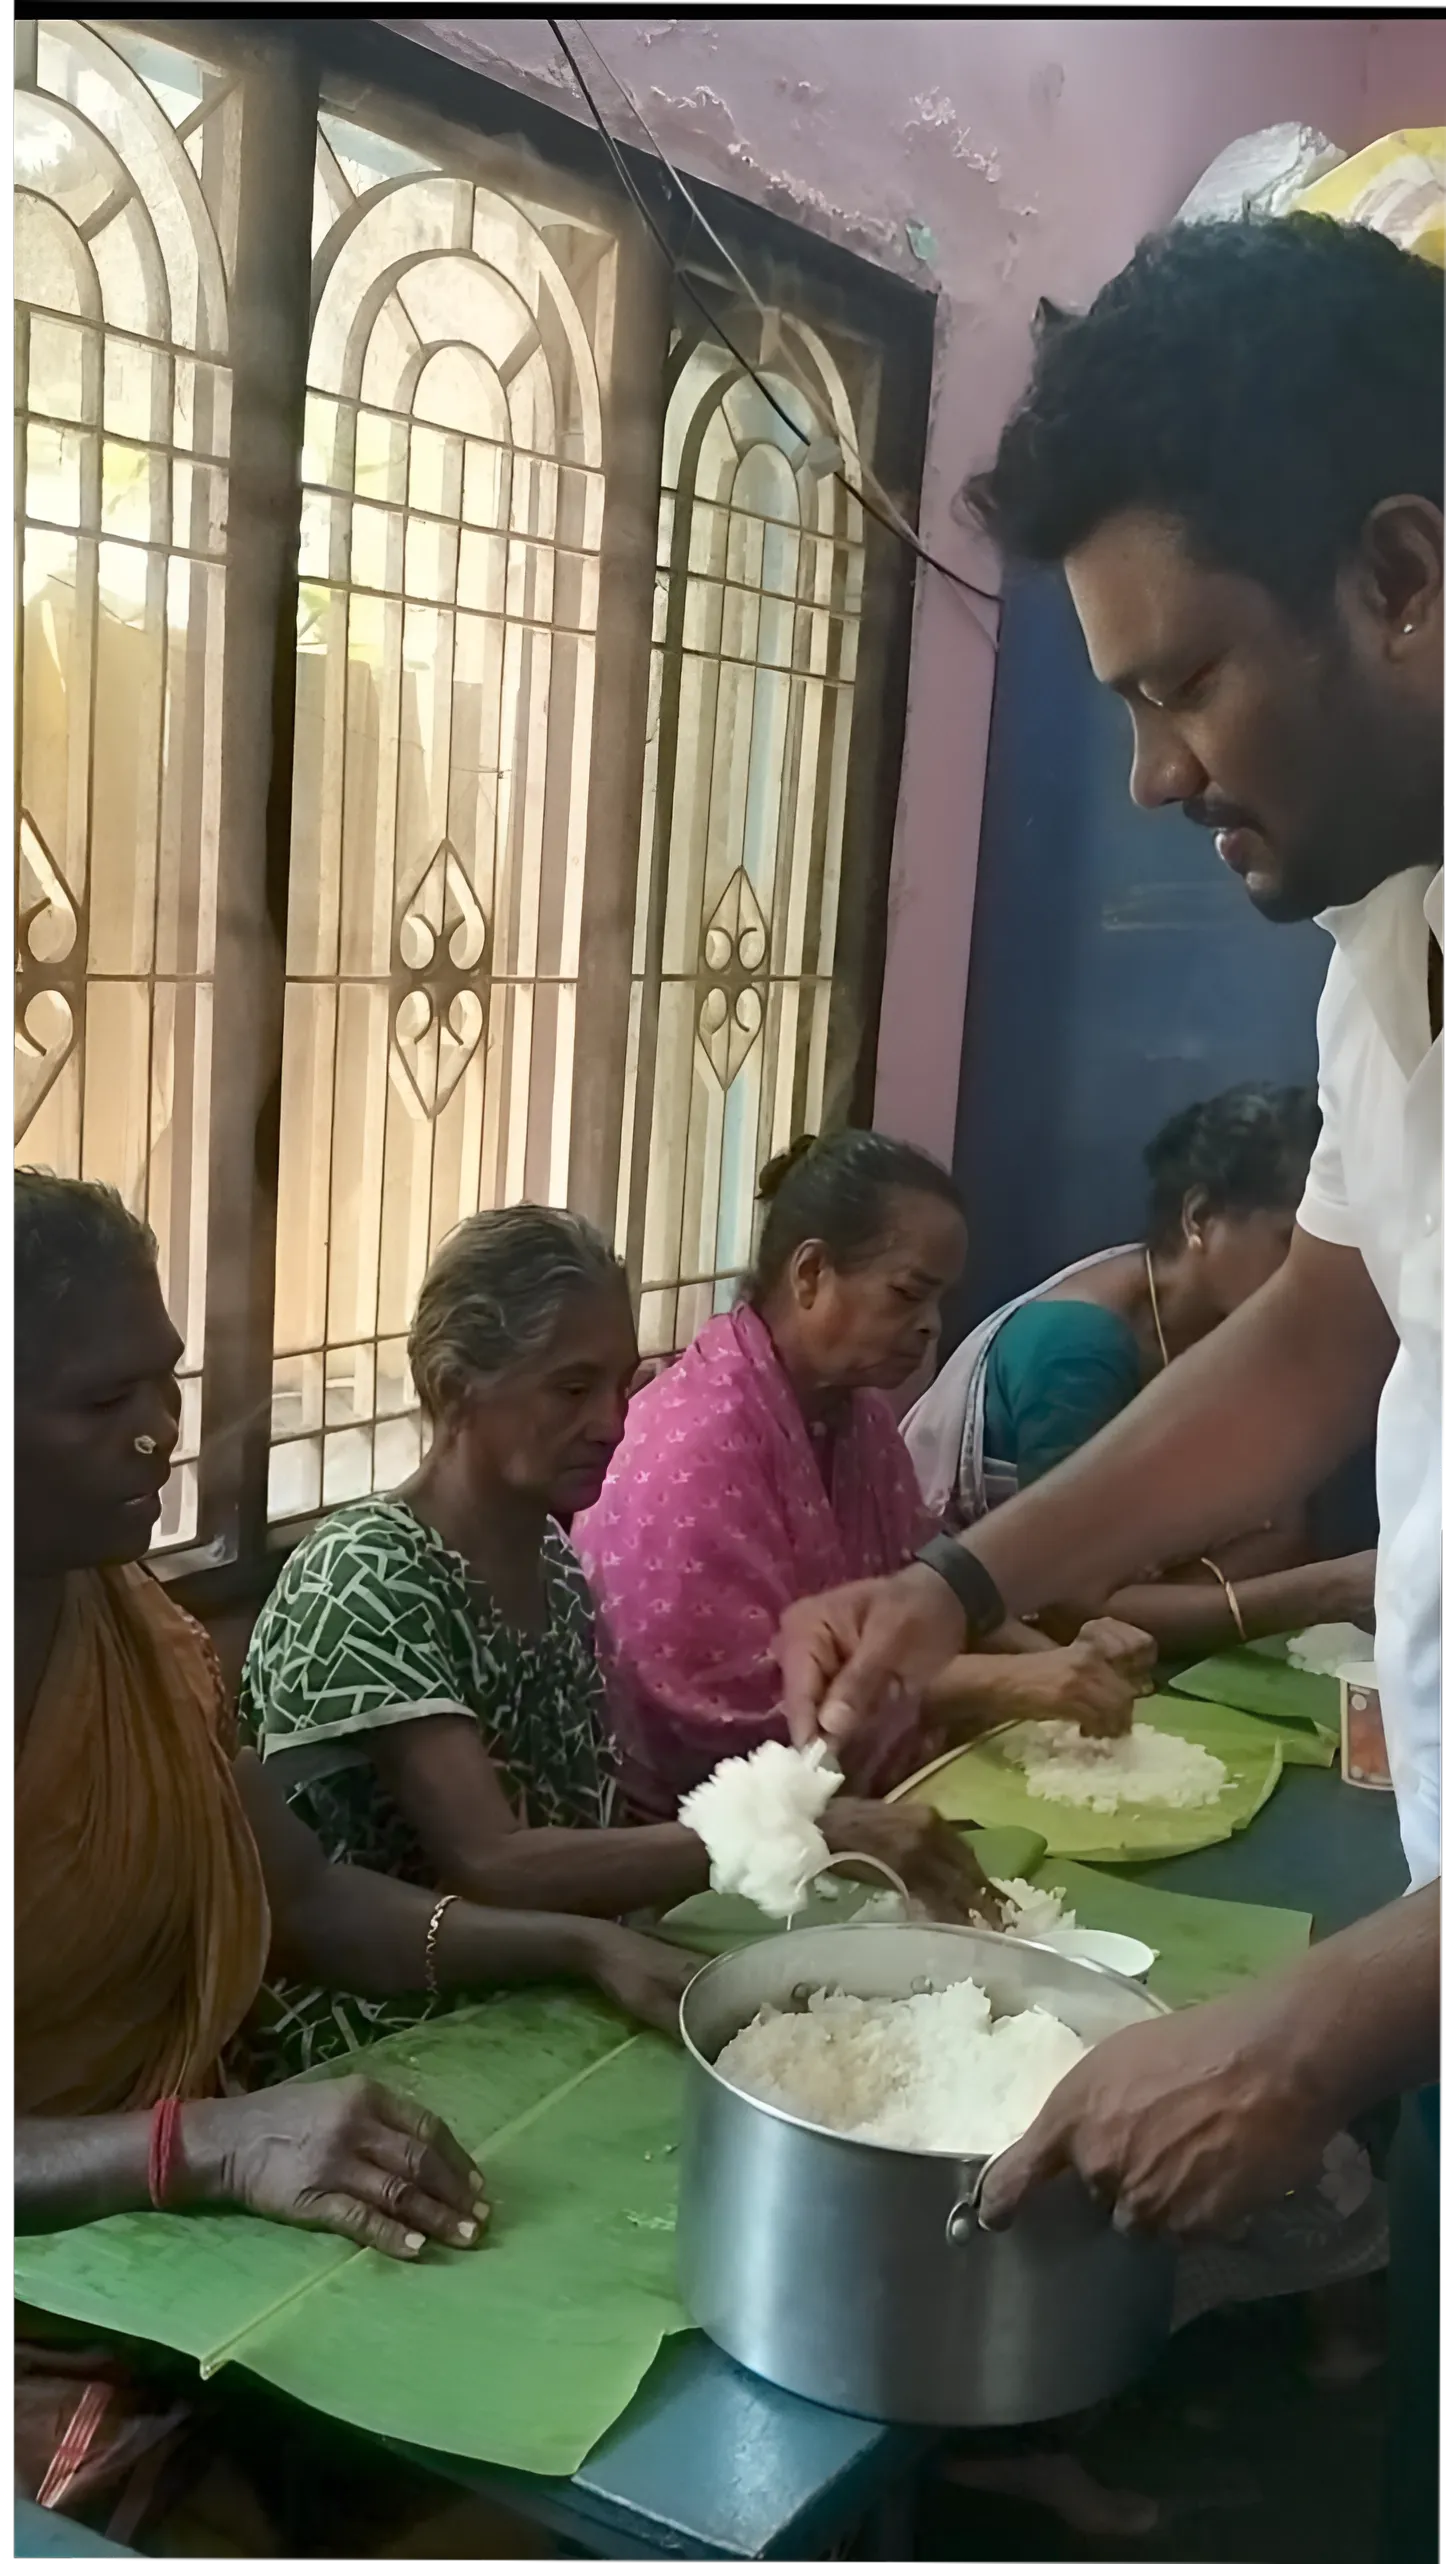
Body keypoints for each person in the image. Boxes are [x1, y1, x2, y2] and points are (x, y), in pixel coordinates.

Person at [776, 216, 1442, 2560]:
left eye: (1181, 687)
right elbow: (1328, 1323)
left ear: (1398, 578)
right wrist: (961, 1574)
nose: (1151, 779)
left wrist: (1315, 2029)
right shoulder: (1394, 937)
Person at [10, 1167, 694, 2552]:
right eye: (102, 1405)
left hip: (164, 2212)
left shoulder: (135, 1630)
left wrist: (580, 1943)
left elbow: (305, 1898)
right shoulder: (362, 1573)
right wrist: (201, 2141)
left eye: (167, 1385)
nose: (160, 1437)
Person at [241, 1199, 1001, 2077]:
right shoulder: (370, 1572)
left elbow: (577, 1840)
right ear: (456, 1386)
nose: (611, 1420)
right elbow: (494, 1864)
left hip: (538, 1989)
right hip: (382, 2034)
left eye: (622, 1384)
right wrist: (801, 1828)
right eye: (571, 1388)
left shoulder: (554, 1566)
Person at [573, 1132, 1155, 1820]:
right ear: (811, 1274)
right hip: (707, 1843)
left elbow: (918, 1588)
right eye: (907, 1295)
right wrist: (1008, 1681)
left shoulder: (858, 1418)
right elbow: (739, 1712)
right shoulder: (695, 1446)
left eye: (938, 1302)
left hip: (869, 1797)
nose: (929, 1329)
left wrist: (1061, 1656)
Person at [904, 1083, 1378, 1654]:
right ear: (1199, 1216)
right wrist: (1324, 1590)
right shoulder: (1078, 1345)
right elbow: (1070, 1606)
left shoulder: (1235, 1331)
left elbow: (1283, 1533)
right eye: (1287, 1242)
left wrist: (1166, 1602)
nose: (1306, 1272)